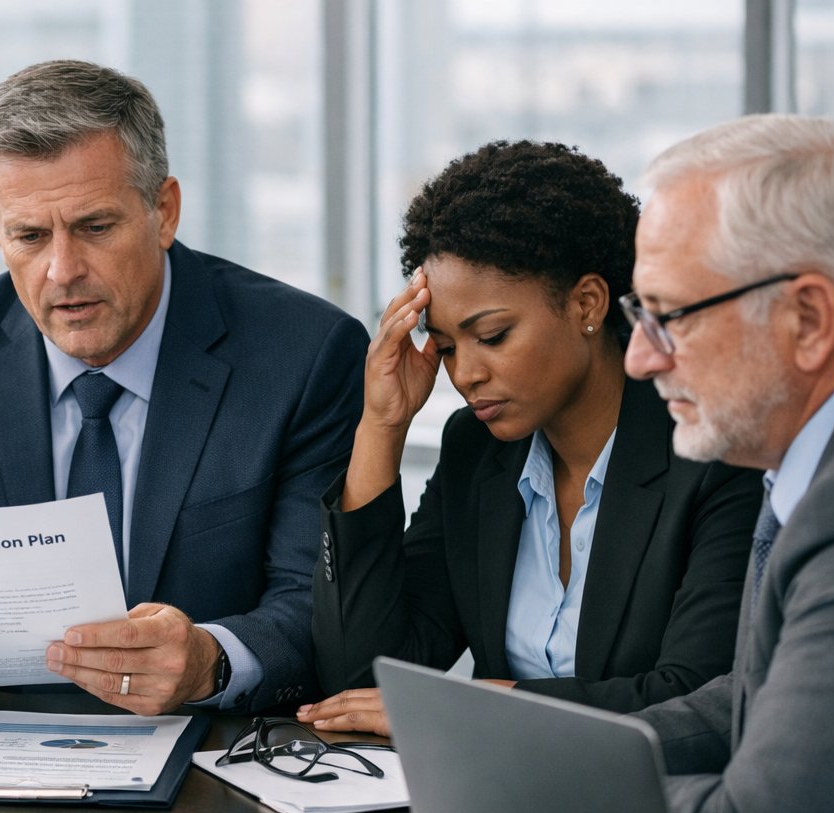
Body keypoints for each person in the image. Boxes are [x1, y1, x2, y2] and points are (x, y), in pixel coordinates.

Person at [0, 59, 366, 719]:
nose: (62, 271)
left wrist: (211, 659)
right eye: (28, 236)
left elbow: (317, 609)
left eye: (95, 227)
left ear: (164, 211)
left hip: (209, 761)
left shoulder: (303, 353)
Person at [302, 140, 761, 735]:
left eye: (491, 336)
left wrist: (488, 708)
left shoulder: (709, 452)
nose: (464, 374)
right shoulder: (477, 450)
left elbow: (699, 699)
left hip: (656, 808)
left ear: (587, 304)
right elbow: (360, 680)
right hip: (494, 805)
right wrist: (381, 427)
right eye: (444, 347)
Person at [624, 115, 834, 813]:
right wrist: (547, 750)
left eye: (670, 316)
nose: (640, 357)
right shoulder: (822, 456)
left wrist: (559, 795)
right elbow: (758, 693)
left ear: (808, 319)